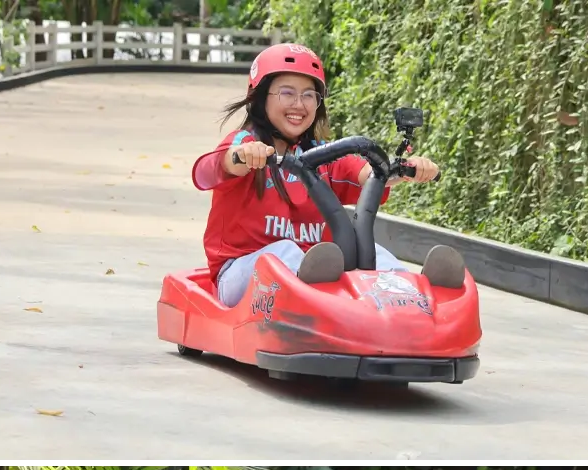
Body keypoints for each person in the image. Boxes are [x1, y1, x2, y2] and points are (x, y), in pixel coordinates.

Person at [192, 43, 465, 306]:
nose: (299, 104)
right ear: (261, 97)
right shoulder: (245, 143)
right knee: (284, 252)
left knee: (370, 254)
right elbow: (211, 169)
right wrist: (241, 156)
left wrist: (404, 170)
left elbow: (367, 175)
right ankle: (317, 294)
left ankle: (417, 296)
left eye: (309, 95)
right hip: (239, 274)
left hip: (317, 270)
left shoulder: (322, 156)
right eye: (287, 93)